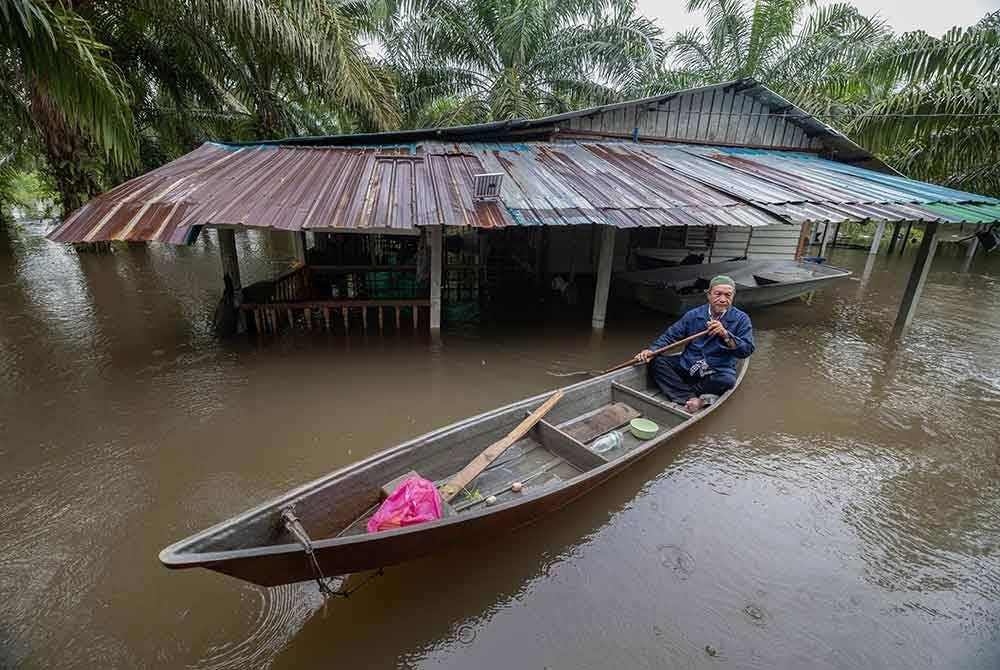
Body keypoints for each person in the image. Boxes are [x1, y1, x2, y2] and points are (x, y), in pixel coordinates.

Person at [634, 275, 754, 413]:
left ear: (733, 297)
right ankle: (691, 398)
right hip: (689, 364)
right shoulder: (694, 315)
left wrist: (725, 335)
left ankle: (685, 394)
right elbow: (671, 335)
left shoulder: (741, 319)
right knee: (657, 362)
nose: (722, 299)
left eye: (728, 295)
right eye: (717, 294)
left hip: (716, 369)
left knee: (727, 380)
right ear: (708, 295)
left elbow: (746, 350)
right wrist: (652, 351)